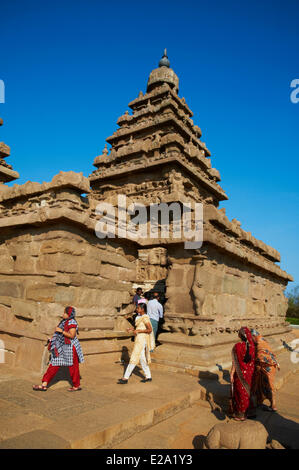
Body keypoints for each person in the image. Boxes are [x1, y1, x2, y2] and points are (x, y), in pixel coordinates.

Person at [33, 306, 84, 392]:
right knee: (54, 364)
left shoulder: (72, 322)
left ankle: (76, 385)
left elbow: (72, 335)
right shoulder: (64, 321)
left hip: (70, 348)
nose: (63, 314)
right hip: (61, 347)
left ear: (69, 314)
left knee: (73, 367)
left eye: (65, 313)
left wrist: (61, 331)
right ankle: (44, 384)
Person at [118, 302, 155, 384]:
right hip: (139, 339)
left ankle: (125, 378)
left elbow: (149, 330)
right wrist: (132, 329)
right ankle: (148, 376)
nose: (137, 309)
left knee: (134, 356)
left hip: (142, 340)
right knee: (142, 359)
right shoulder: (139, 317)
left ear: (142, 309)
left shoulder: (145, 317)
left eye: (138, 308)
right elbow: (139, 327)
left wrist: (139, 331)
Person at [250, 329, 280, 412]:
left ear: (254, 336)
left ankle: (273, 406)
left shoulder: (260, 343)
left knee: (269, 386)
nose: (251, 340)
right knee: (263, 384)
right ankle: (260, 401)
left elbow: (261, 357)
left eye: (251, 338)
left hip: (267, 366)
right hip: (269, 366)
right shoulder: (262, 340)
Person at [230, 327, 255, 421]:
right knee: (248, 392)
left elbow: (235, 362)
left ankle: (241, 414)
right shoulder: (252, 347)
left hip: (240, 374)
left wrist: (232, 373)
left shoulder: (237, 346)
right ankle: (250, 411)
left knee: (241, 393)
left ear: (240, 336)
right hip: (249, 374)